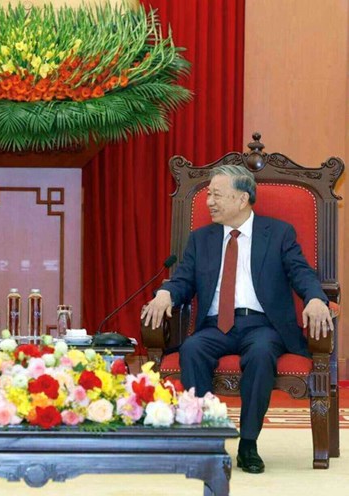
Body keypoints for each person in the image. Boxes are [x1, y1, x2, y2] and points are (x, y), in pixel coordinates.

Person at [141, 164, 333, 474]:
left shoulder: (278, 233)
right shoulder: (201, 239)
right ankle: (206, 438)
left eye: (216, 195)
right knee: (192, 349)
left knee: (261, 354)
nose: (209, 202)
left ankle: (248, 443)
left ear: (242, 199)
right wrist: (165, 293)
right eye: (208, 195)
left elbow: (301, 272)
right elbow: (183, 279)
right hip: (215, 325)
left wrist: (314, 298)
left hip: (261, 326)